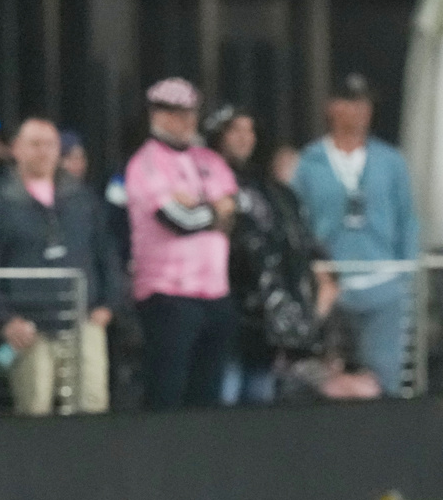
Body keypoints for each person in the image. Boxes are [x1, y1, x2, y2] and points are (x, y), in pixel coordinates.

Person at [0, 117, 114, 416]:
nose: (43, 151)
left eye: (50, 144)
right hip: (28, 330)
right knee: (33, 412)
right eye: (34, 144)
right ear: (16, 149)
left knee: (94, 408)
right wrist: (5, 320)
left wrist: (109, 304)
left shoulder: (83, 198)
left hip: (83, 322)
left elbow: (106, 253)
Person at [291, 73, 420, 396]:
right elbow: (297, 223)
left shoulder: (390, 162)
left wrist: (404, 275)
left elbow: (407, 219)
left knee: (384, 380)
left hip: (383, 282)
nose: (359, 111)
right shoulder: (310, 163)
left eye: (364, 104)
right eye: (350, 102)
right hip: (330, 287)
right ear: (332, 107)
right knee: (328, 380)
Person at [204, 105, 335, 405]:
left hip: (264, 312)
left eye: (249, 130)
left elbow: (295, 243)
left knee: (258, 389)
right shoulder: (204, 177)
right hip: (223, 300)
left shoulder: (269, 189)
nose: (244, 138)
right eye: (235, 130)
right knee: (226, 387)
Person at [124, 78, 238, 410]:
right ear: (156, 116)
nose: (187, 121)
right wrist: (213, 211)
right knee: (167, 394)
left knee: (208, 397)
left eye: (190, 113)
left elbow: (235, 211)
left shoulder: (211, 160)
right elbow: (177, 220)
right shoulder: (145, 163)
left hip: (215, 292)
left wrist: (201, 208)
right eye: (176, 113)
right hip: (168, 294)